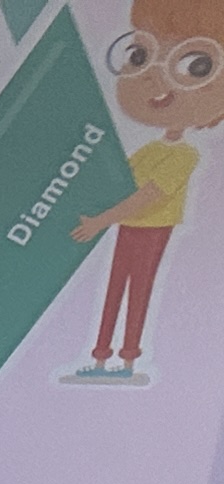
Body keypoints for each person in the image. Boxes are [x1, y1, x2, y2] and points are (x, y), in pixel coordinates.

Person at [67, 2, 219, 384]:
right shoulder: (150, 150)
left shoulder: (184, 156)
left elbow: (148, 195)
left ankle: (128, 362)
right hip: (128, 228)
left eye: (196, 65)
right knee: (113, 289)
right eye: (139, 56)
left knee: (139, 291)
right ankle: (99, 358)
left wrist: (101, 220)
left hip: (152, 231)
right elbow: (118, 183)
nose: (154, 76)